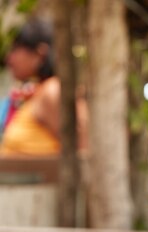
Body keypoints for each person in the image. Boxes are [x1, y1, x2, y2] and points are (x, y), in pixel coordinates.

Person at [0, 18, 86, 156]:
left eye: (16, 49)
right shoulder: (39, 92)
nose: (9, 58)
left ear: (40, 53)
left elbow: (83, 150)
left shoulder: (53, 92)